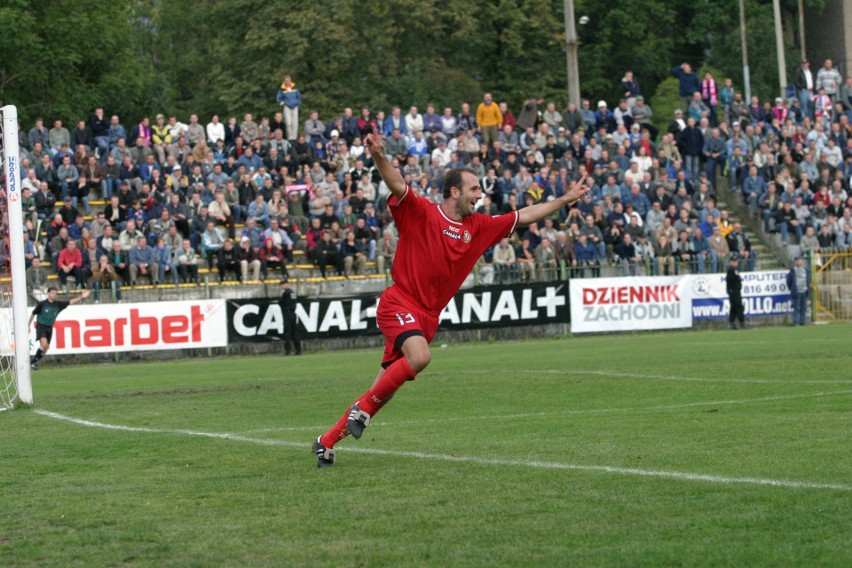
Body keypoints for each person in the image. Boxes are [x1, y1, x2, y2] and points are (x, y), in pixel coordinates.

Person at [312, 125, 590, 467]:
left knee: (381, 389)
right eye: (474, 188)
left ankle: (326, 441)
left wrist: (563, 200)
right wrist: (378, 155)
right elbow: (397, 183)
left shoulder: (480, 227)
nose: (480, 194)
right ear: (454, 191)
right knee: (420, 358)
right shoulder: (423, 212)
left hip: (427, 316)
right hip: (399, 302)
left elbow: (524, 216)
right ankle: (363, 412)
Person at [28, 288, 90, 370]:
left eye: (55, 293)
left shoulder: (58, 304)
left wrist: (81, 297)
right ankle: (32, 363)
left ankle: (33, 363)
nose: (54, 294)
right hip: (41, 326)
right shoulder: (42, 304)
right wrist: (28, 325)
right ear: (48, 294)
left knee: (46, 348)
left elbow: (70, 302)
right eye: (52, 293)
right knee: (43, 344)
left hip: (49, 328)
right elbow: (33, 314)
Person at [278, 277, 302, 356]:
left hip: (287, 314)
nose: (282, 286)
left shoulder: (286, 293)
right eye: (282, 284)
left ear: (287, 284)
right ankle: (298, 350)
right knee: (295, 332)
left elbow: (281, 302)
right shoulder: (292, 292)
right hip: (293, 313)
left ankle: (288, 350)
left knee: (287, 332)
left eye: (283, 284)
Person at [786, 256, 810, 326]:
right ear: (795, 262)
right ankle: (796, 322)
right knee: (796, 307)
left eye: (800, 260)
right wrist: (792, 288)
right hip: (797, 292)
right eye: (798, 260)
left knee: (804, 308)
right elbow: (788, 281)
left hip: (804, 291)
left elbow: (808, 279)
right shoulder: (793, 271)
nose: (799, 262)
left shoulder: (806, 270)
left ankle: (802, 322)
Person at [726, 257, 744, 330]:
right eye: (733, 261)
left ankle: (732, 322)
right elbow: (731, 280)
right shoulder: (731, 270)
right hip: (734, 291)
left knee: (733, 307)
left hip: (736, 291)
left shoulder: (735, 270)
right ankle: (742, 322)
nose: (735, 263)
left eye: (736, 261)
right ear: (730, 262)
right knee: (738, 306)